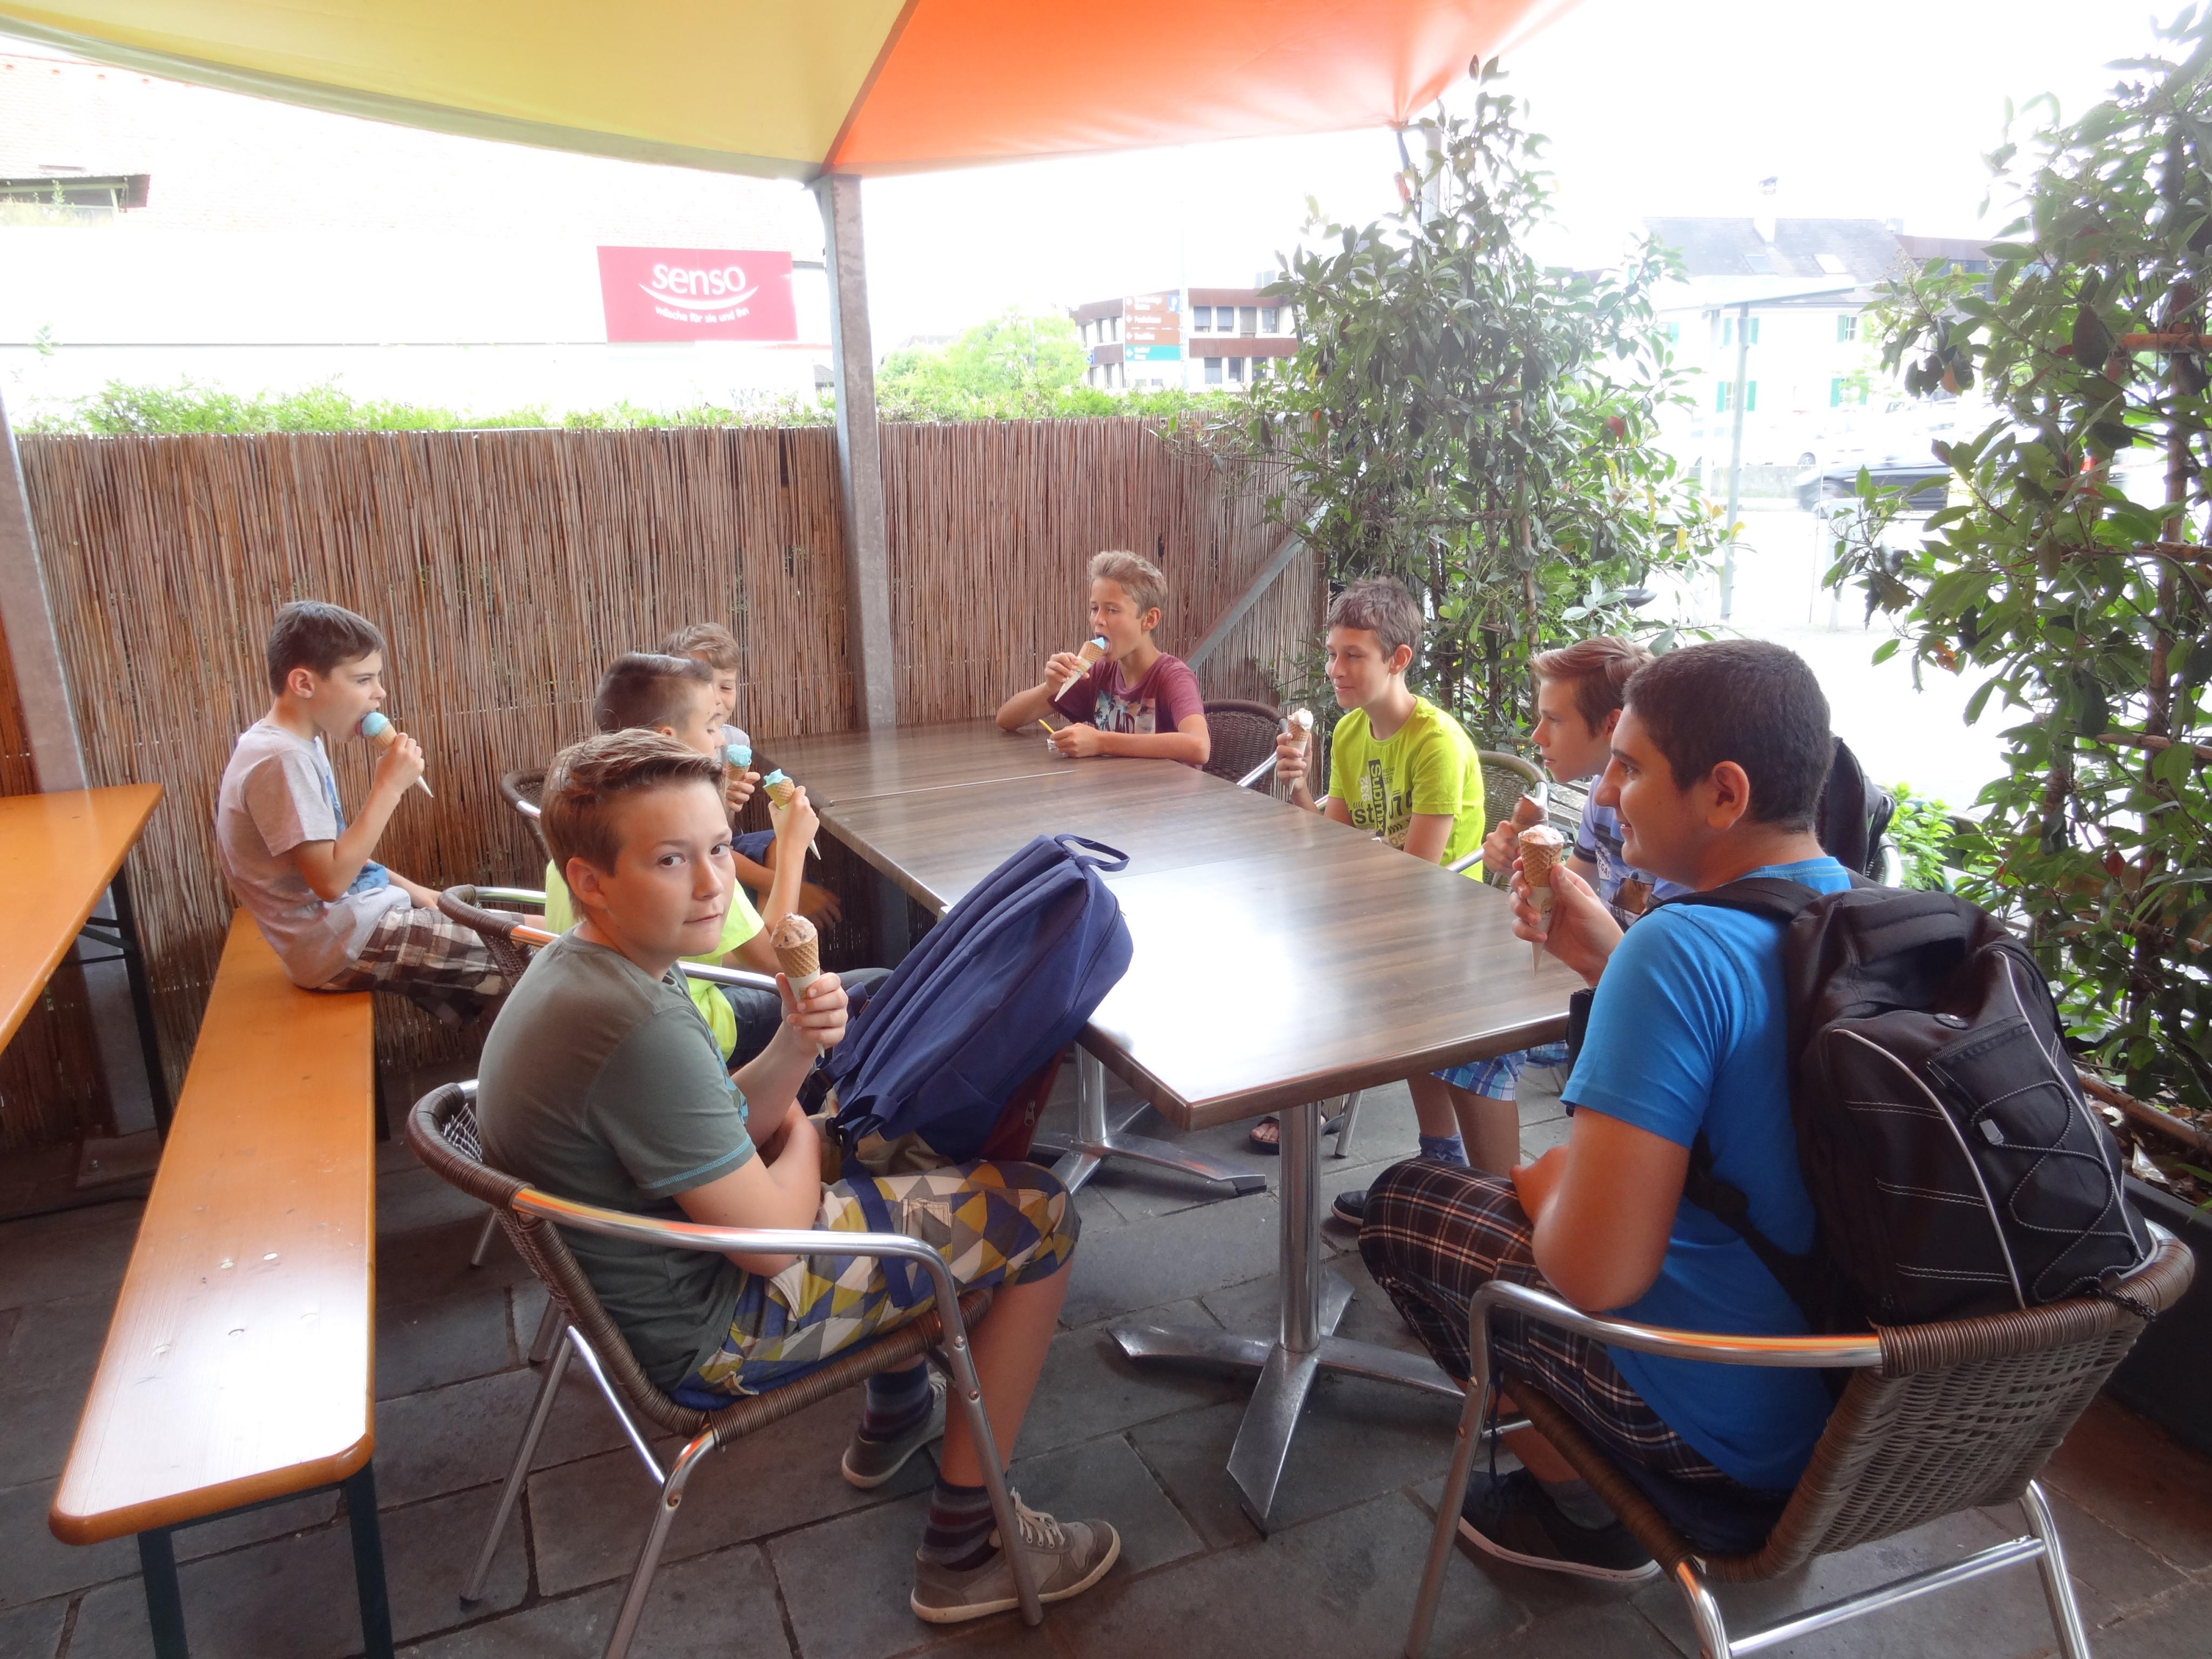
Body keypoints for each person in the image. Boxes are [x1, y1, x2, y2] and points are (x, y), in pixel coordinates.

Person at [477, 730, 1117, 1622]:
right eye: (670, 859)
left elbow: (717, 1125)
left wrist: (794, 1046)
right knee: (1038, 1212)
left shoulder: (595, 964)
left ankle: (895, 1413)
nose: (713, 884)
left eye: (717, 848)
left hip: (663, 1263)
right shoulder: (632, 1023)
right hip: (717, 1330)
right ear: (590, 879)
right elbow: (772, 1245)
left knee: (899, 1145)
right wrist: (808, 1140)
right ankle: (966, 1550)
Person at [1358, 639, 1846, 1583]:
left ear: (1725, 794)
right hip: (1867, 1408)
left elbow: (1590, 1271)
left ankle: (1582, 1501)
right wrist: (1609, 961)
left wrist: (1548, 1188)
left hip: (1724, 1431)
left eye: (1631, 768)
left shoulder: (1680, 948)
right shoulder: (1856, 917)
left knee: (1406, 1203)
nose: (1610, 794)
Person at [1331, 636, 1687, 1222]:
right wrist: (1525, 870)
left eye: (1552, 720)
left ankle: (1496, 1215)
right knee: (1423, 989)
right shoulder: (1601, 803)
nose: (1537, 736)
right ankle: (1443, 1164)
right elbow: (1566, 900)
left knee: (1473, 1038)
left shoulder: (1669, 820)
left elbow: (1665, 973)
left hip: (1629, 998)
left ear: (1612, 725)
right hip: (1594, 971)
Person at [1251, 576, 1486, 1154]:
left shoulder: (1435, 742)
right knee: (1270, 920)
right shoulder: (1352, 730)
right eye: (1332, 654)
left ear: (1398, 659)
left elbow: (1418, 873)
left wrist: (1336, 891)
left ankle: (1324, 1097)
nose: (1335, 669)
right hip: (1382, 900)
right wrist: (1299, 786)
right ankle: (1313, 1092)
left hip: (1445, 918)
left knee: (1312, 952)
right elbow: (1335, 839)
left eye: (1353, 656)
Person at [214, 599, 505, 1028]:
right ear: (304, 683)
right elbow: (331, 881)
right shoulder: (281, 760)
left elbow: (336, 853)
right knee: (536, 949)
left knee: (532, 935)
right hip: (340, 944)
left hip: (355, 924)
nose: (380, 693)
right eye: (363, 679)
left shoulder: (295, 745)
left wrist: (415, 890)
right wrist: (388, 787)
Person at [542, 652, 818, 1069]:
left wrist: (716, 810)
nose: (721, 740)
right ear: (668, 739)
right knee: (863, 990)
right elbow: (775, 961)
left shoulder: (585, 832)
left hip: (625, 1012)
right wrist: (792, 847)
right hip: (693, 1025)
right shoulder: (682, 868)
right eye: (710, 726)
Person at [658, 621, 841, 928]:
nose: (717, 699)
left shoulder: (734, 741)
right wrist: (790, 886)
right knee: (785, 854)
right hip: (690, 859)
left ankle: (775, 937)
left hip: (720, 843)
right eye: (704, 686)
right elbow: (704, 847)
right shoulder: (670, 753)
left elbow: (726, 831)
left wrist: (727, 803)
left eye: (726, 687)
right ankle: (768, 941)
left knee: (774, 843)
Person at [994, 550, 1210, 767]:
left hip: (1168, 790)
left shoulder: (1172, 677)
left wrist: (1101, 742)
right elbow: (1006, 720)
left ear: (1149, 619)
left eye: (1112, 610)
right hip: (1113, 788)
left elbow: (1199, 747)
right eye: (1094, 608)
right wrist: (1049, 688)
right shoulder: (1097, 673)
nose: (1098, 620)